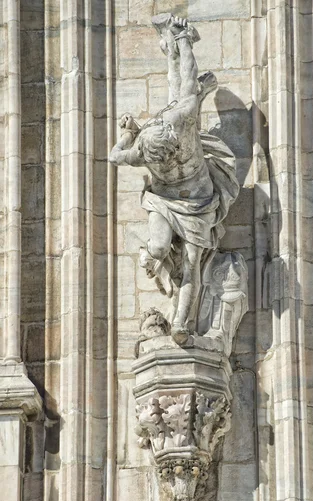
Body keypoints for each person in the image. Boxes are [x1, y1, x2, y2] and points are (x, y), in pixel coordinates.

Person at [110, 14, 239, 344]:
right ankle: (172, 41)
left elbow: (189, 77)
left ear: (175, 146)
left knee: (193, 263)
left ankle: (181, 321)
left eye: (166, 157)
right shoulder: (141, 150)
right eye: (156, 160)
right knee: (156, 246)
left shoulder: (182, 123)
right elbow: (114, 155)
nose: (163, 162)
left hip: (199, 199)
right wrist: (127, 133)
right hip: (164, 198)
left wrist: (184, 40)